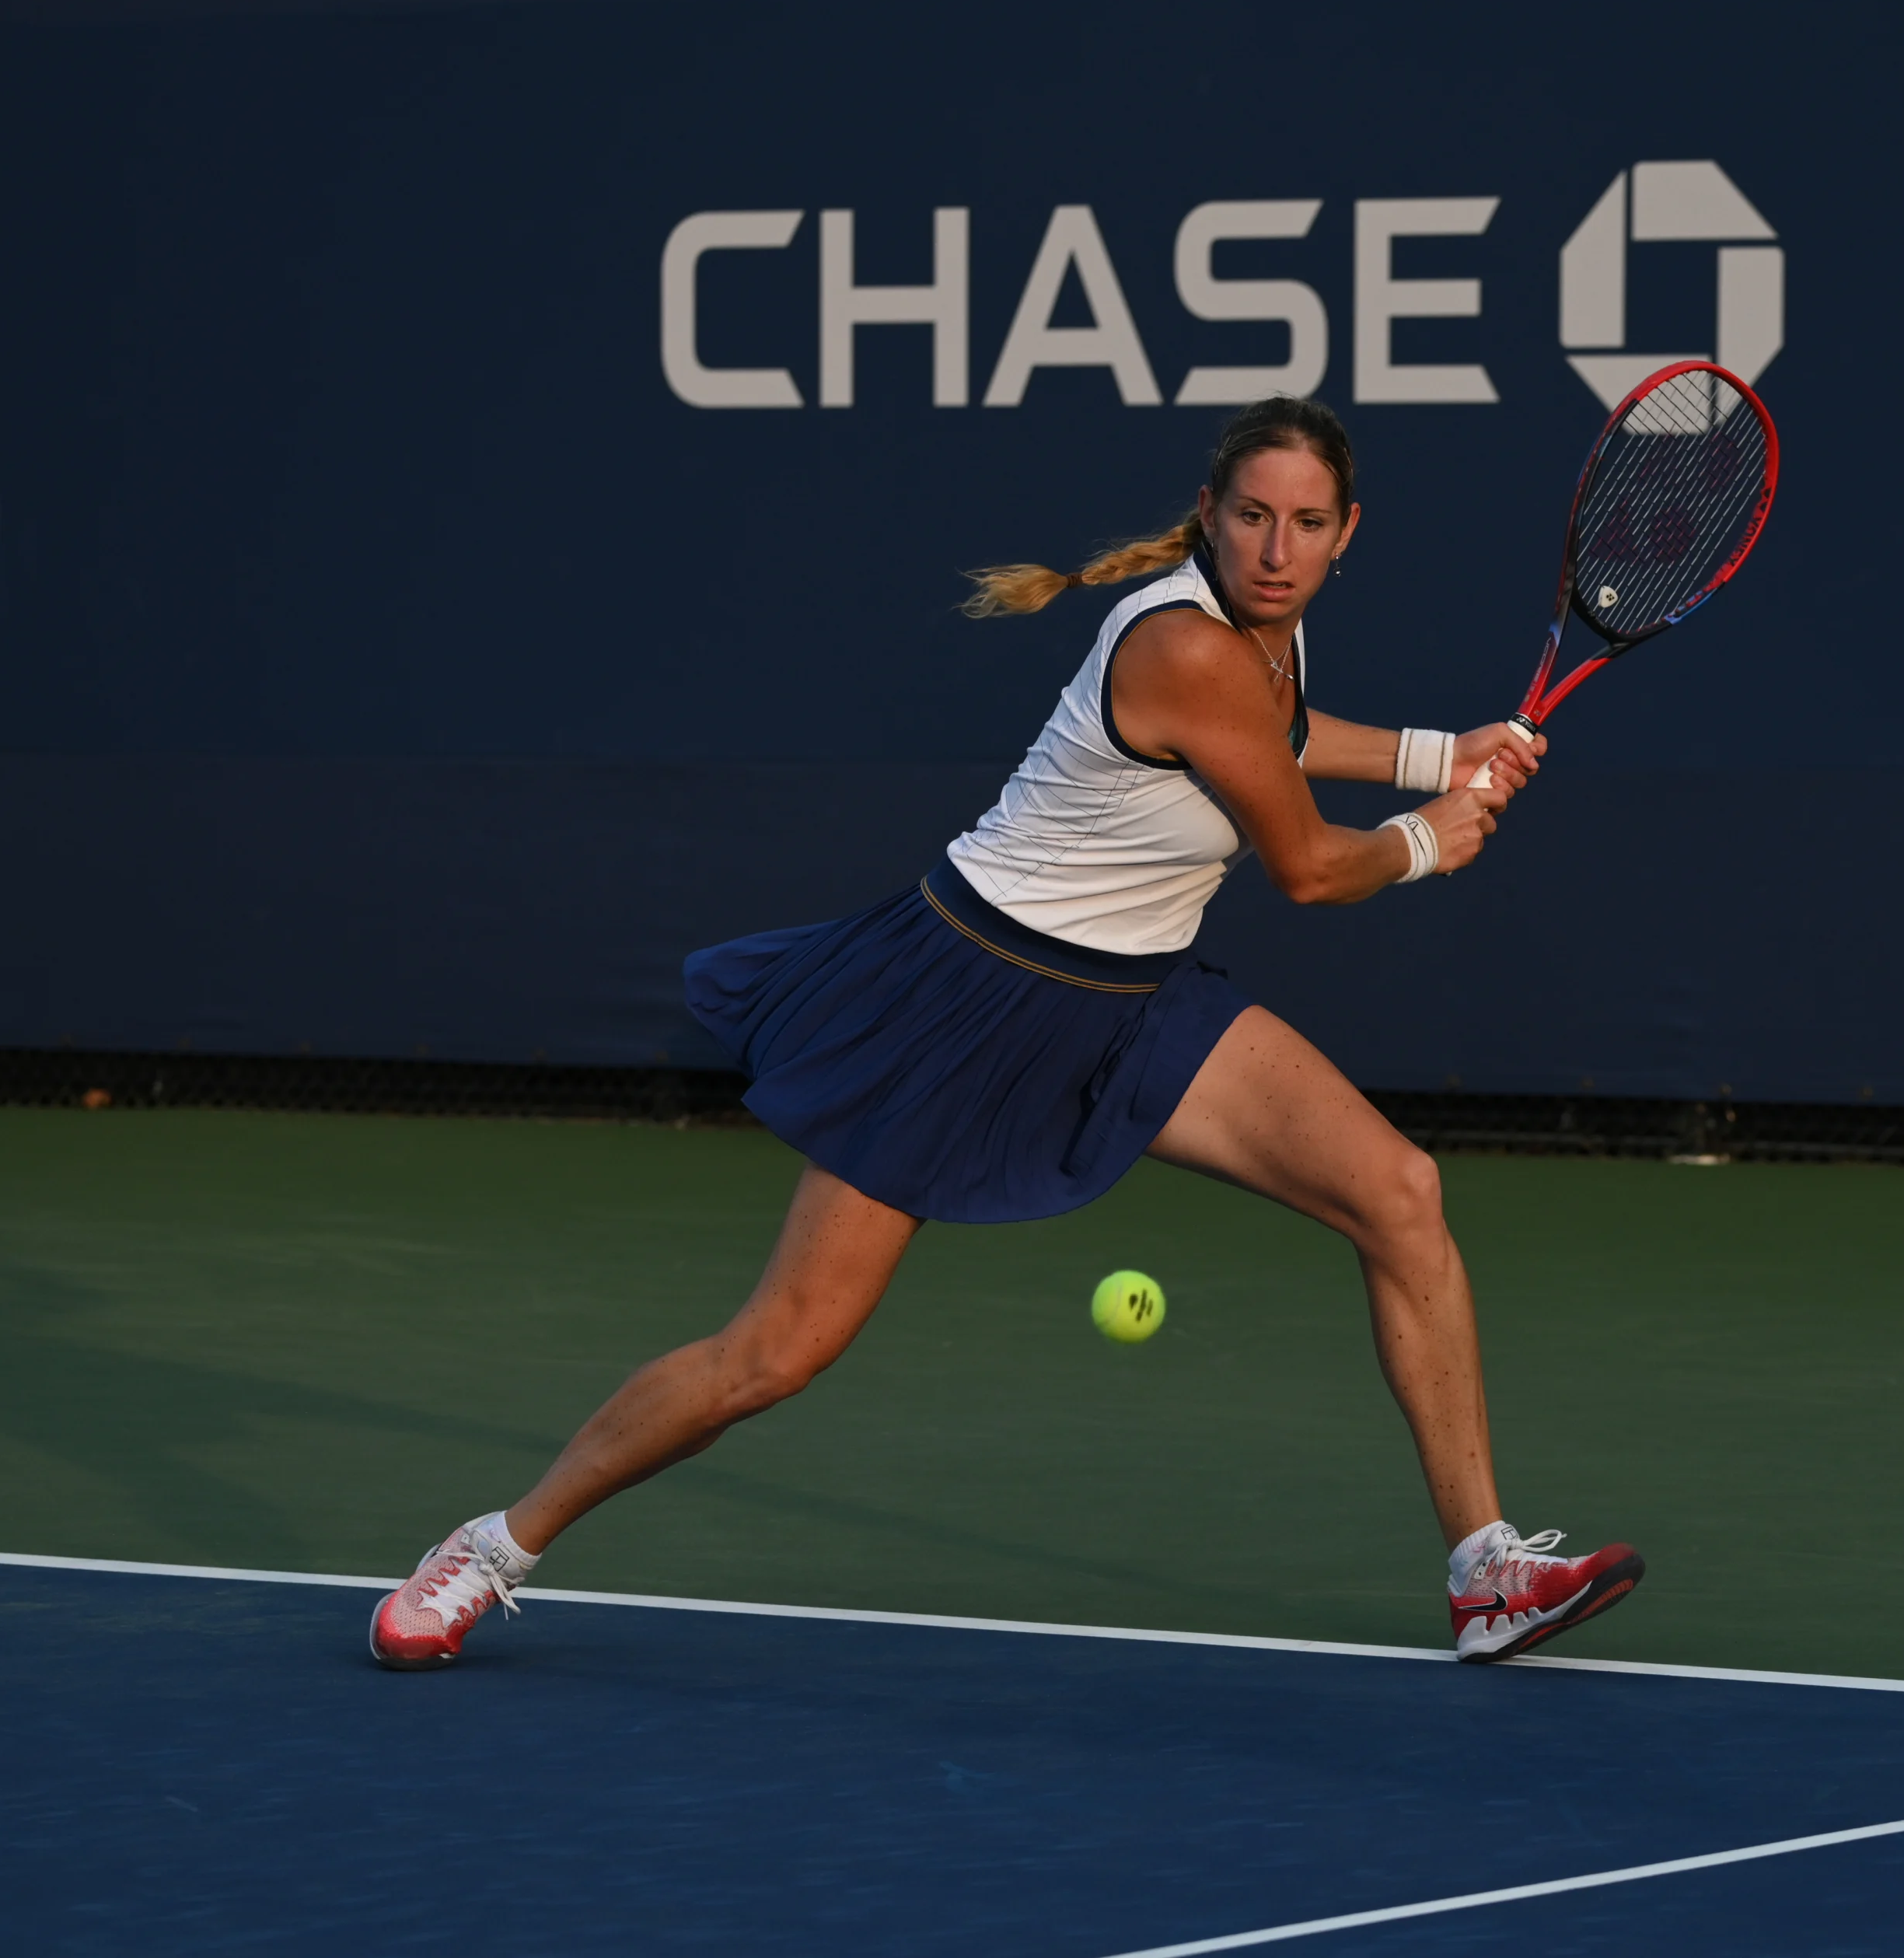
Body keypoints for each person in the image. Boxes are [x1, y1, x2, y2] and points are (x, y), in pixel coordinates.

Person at [369, 396, 1643, 1671]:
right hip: (969, 997)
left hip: (1136, 997)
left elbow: (1287, 736)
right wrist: (1432, 837)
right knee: (773, 1353)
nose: (1276, 547)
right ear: (1208, 515)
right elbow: (1310, 867)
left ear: (1345, 534)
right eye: (1252, 515)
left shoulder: (1268, 643)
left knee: (1400, 1192)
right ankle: (492, 1544)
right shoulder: (1186, 648)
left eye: (1307, 523)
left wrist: (1440, 754)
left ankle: (1486, 1571)